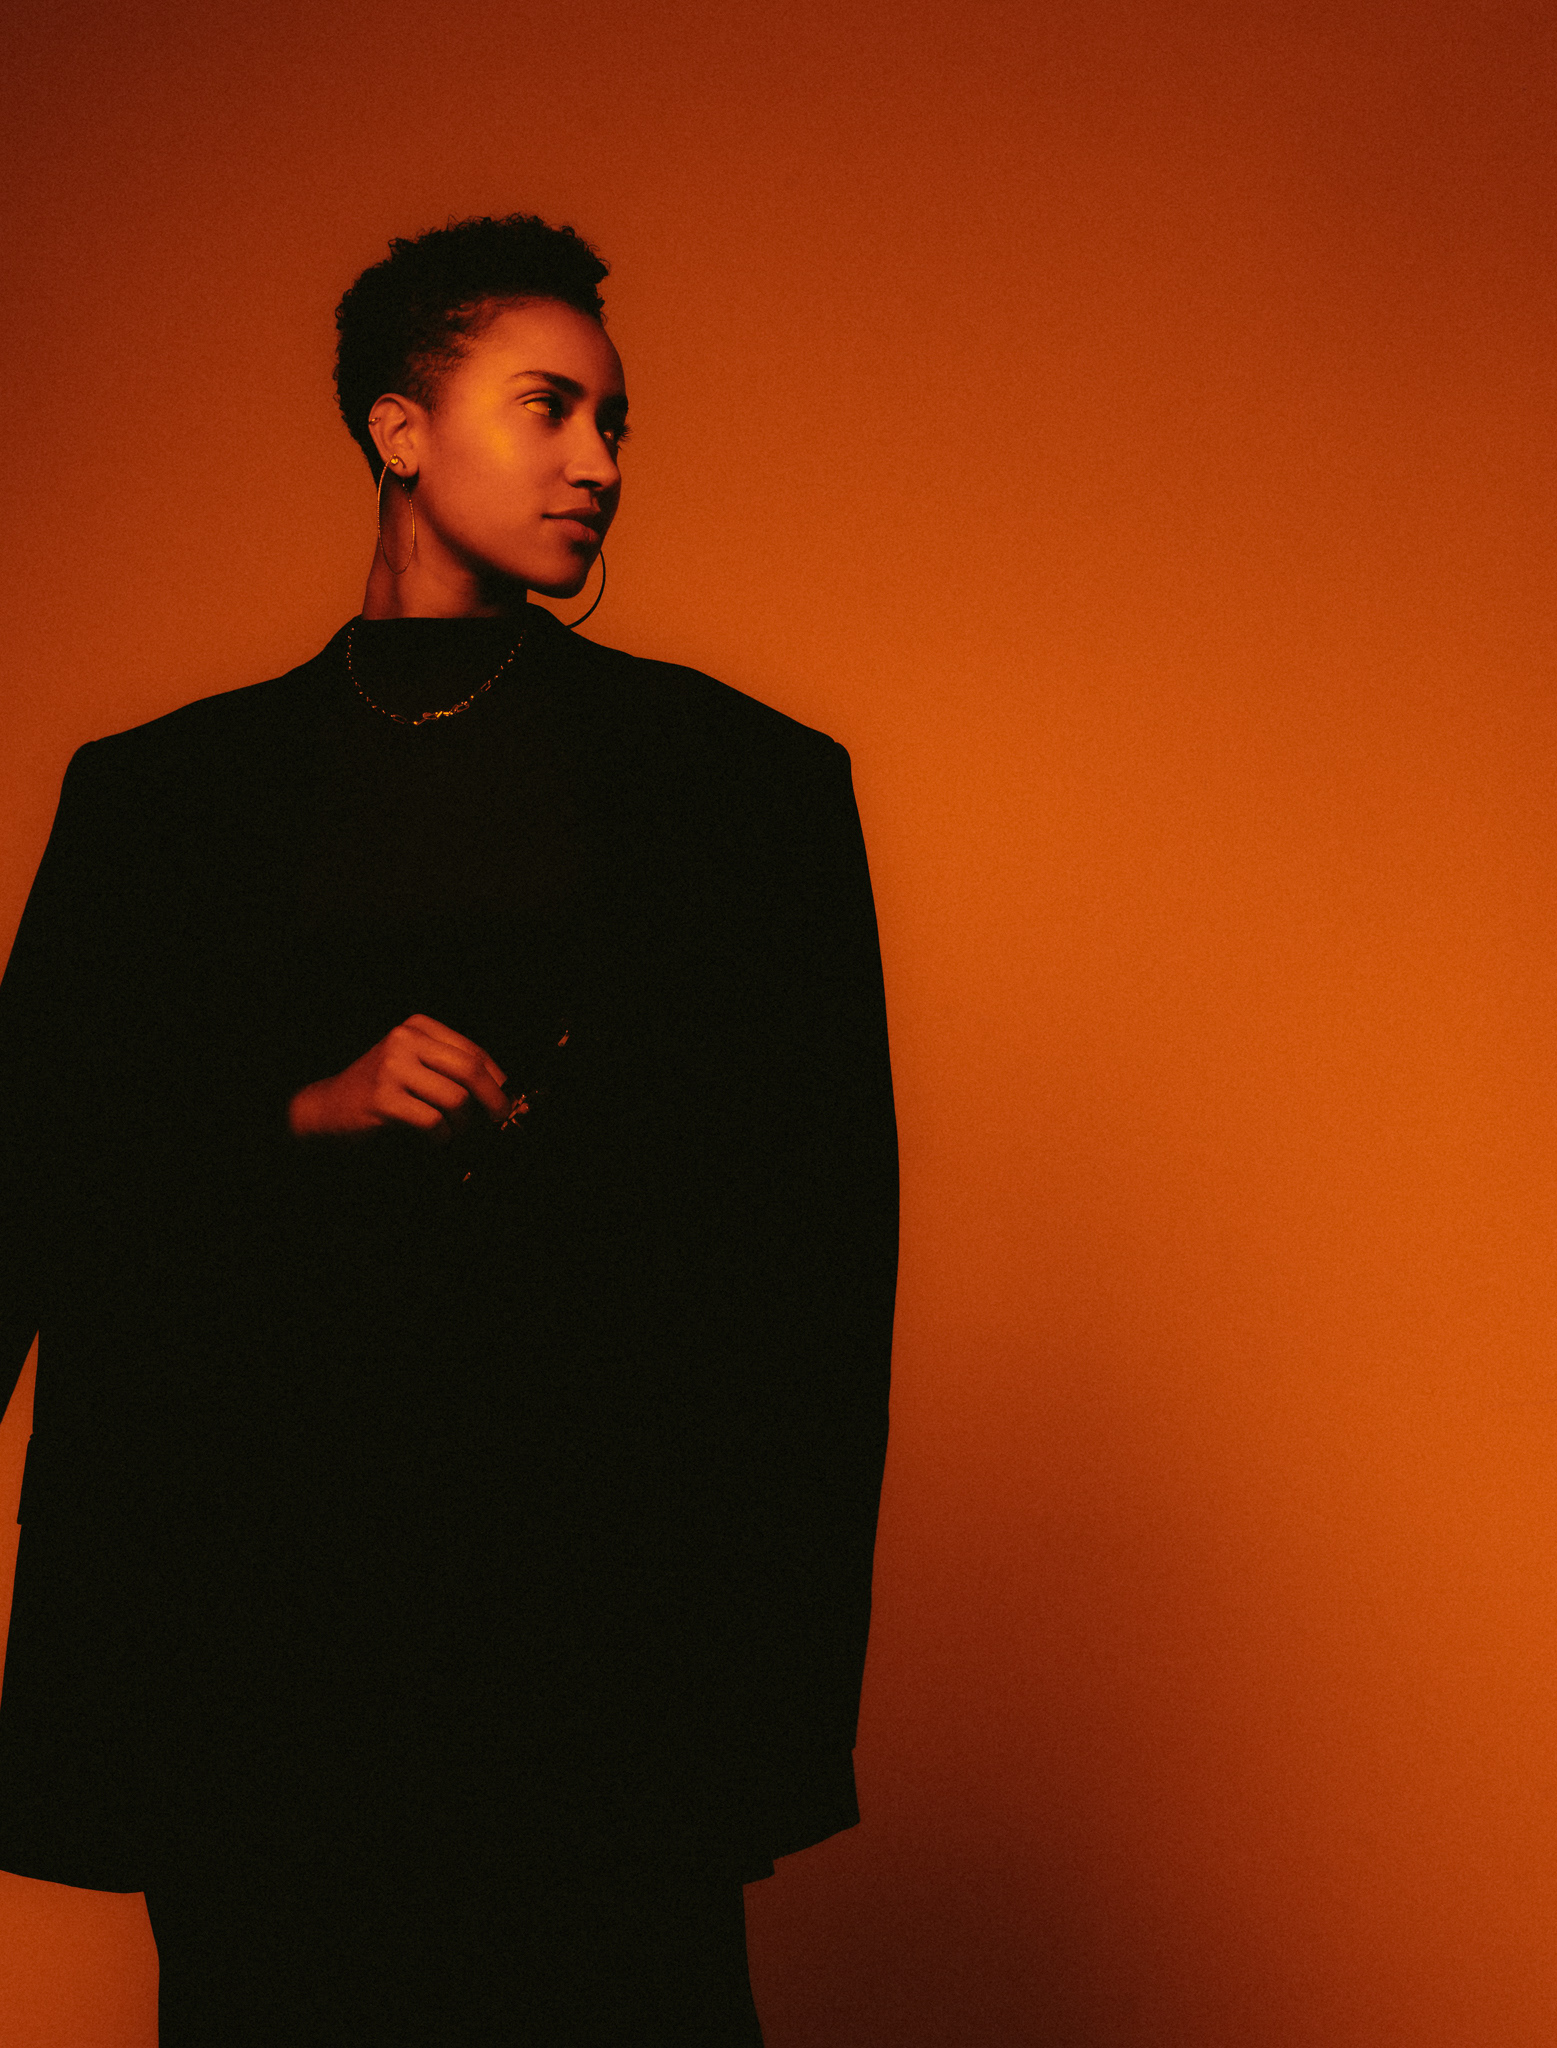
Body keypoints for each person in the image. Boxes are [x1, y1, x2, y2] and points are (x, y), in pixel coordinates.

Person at [0, 214, 897, 2045]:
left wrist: (758, 1673)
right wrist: (297, 1111)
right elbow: (42, 1171)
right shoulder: (163, 799)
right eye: (548, 406)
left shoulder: (744, 789)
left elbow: (815, 1258)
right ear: (397, 429)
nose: (599, 461)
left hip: (591, 1619)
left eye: (615, 423)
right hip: (261, 1608)